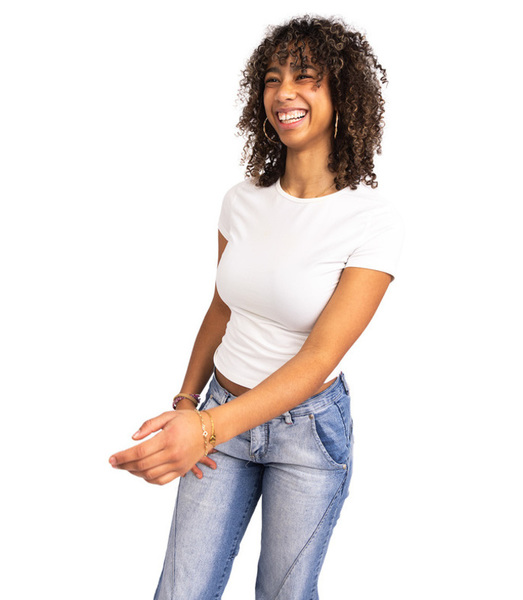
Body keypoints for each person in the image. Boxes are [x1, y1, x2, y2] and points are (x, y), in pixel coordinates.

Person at [109, 14, 403, 600]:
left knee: (282, 594)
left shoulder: (372, 221)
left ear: (342, 93)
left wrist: (204, 430)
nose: (284, 92)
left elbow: (319, 358)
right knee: (181, 591)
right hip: (220, 409)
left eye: (305, 76)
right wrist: (188, 402)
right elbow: (221, 309)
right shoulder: (241, 201)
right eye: (273, 79)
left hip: (307, 433)